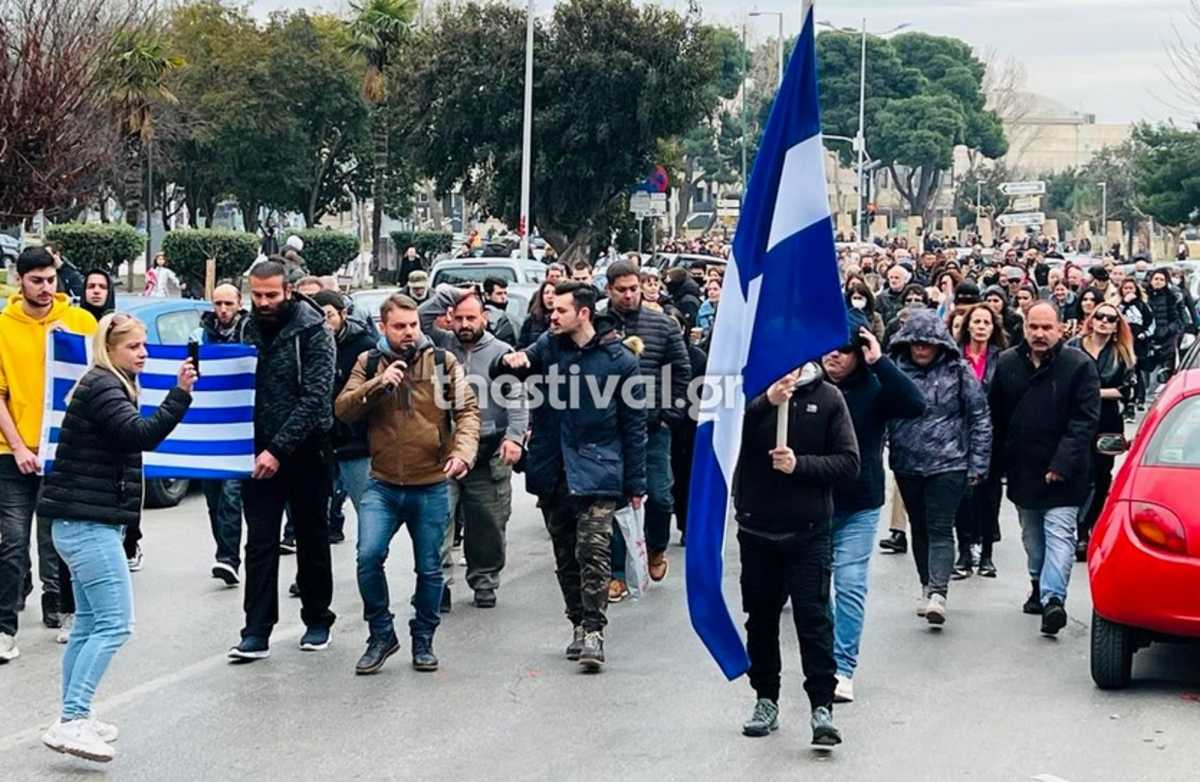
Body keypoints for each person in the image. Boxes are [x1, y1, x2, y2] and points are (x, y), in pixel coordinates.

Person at [37, 313, 195, 762]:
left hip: (81, 522)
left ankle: (75, 717)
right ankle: (71, 719)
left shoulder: (107, 382)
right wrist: (180, 396)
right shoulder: (105, 385)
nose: (143, 353)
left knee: (89, 624)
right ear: (111, 349)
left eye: (144, 345)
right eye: (134, 347)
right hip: (87, 525)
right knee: (115, 624)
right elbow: (138, 435)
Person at [491, 282, 646, 671]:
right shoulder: (549, 345)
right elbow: (518, 364)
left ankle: (595, 631)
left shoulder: (619, 360)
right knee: (566, 556)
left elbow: (634, 426)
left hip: (599, 469)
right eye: (551, 309)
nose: (552, 315)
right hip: (554, 468)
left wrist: (636, 484)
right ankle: (577, 622)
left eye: (560, 310)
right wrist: (510, 363)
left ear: (583, 313)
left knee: (593, 552)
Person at [335, 293, 480, 674]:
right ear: (383, 327)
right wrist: (378, 384)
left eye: (413, 325)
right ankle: (381, 634)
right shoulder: (367, 362)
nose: (409, 333)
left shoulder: (443, 362)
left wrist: (462, 452)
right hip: (382, 483)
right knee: (368, 557)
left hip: (430, 482)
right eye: (399, 326)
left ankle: (423, 638)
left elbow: (467, 412)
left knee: (430, 568)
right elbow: (343, 408)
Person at [733, 361, 860, 747]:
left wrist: (798, 465)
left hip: (808, 532)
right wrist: (765, 403)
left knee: (814, 620)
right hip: (757, 530)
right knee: (761, 620)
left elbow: (849, 463)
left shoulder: (828, 397)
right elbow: (719, 441)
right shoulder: (746, 392)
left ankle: (822, 707)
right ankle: (765, 699)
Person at [227, 260, 337, 662]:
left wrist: (279, 449)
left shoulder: (314, 330)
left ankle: (317, 618)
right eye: (256, 295)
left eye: (271, 295)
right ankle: (256, 630)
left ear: (288, 291)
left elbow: (315, 399)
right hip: (255, 452)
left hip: (307, 449)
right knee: (258, 543)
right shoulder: (246, 327)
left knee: (311, 536)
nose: (263, 302)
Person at [0, 248, 98, 663]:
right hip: (12, 452)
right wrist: (20, 446)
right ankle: (5, 627)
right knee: (12, 542)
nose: (44, 288)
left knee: (65, 540)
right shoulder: (3, 327)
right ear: (19, 280)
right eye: (36, 280)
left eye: (50, 280)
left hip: (66, 452)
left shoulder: (79, 323)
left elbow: (102, 380)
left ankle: (69, 611)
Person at [823, 312, 924, 704]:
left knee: (849, 584)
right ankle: (823, 658)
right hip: (810, 501)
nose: (834, 355)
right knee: (814, 590)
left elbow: (915, 404)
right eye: (828, 347)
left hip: (859, 504)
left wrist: (879, 361)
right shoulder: (804, 382)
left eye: (845, 349)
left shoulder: (876, 387)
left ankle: (842, 666)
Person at [989, 301, 1100, 636]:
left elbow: (1085, 421)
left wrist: (1061, 464)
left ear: (1060, 329)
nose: (1039, 334)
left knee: (1060, 534)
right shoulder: (1008, 364)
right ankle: (1038, 583)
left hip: (1065, 472)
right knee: (1032, 536)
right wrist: (993, 466)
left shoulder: (1079, 365)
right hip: (1023, 469)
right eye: (1033, 327)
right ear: (1024, 328)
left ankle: (1054, 599)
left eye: (1046, 328)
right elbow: (996, 418)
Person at [887, 310, 992, 625]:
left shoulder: (958, 372)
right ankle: (925, 584)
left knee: (940, 527)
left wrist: (978, 463)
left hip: (949, 462)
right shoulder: (895, 371)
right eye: (915, 344)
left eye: (927, 344)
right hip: (907, 462)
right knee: (918, 526)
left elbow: (980, 417)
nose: (921, 350)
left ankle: (938, 592)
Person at [603, 261, 691, 597]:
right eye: (621, 289)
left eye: (633, 288)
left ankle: (655, 545)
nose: (628, 295)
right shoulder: (599, 324)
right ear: (609, 289)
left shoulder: (662, 325)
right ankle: (616, 571)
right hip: (609, 430)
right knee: (611, 500)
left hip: (653, 427)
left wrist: (670, 414)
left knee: (659, 494)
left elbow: (681, 374)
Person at [190, 284, 250, 586]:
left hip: (241, 427)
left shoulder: (251, 332)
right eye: (218, 304)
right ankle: (224, 552)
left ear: (239, 304)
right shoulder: (200, 336)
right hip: (211, 426)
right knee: (213, 495)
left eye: (228, 303)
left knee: (231, 494)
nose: (223, 309)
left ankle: (229, 558)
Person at [1067, 303, 1135, 559]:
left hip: (1107, 421)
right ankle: (1077, 527)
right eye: (1100, 316)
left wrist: (1093, 394)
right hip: (1074, 419)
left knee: (1101, 474)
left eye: (1111, 318)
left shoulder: (1121, 353)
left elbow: (1127, 390)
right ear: (1091, 320)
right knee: (1077, 471)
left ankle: (1087, 528)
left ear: (1118, 325)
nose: (1104, 321)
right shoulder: (1074, 347)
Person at [313, 290, 376, 546]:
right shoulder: (310, 344)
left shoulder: (365, 347)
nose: (326, 323)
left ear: (343, 314)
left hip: (355, 442)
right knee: (316, 511)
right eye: (320, 317)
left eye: (329, 315)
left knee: (368, 508)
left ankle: (370, 562)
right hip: (321, 439)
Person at [952, 303, 1008, 579]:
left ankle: (986, 554)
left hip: (994, 436)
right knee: (963, 495)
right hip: (959, 434)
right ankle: (964, 552)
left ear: (993, 327)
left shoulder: (1003, 358)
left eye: (987, 322)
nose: (982, 327)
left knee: (990, 495)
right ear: (968, 326)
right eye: (977, 322)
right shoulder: (954, 357)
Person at [1118, 278, 1154, 412]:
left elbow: (1150, 322)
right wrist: (1124, 303)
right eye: (1125, 288)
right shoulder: (1120, 305)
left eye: (1131, 288)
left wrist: (1144, 334)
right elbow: (1116, 316)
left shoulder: (1142, 305)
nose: (1128, 291)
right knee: (1127, 370)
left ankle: (1140, 397)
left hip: (1139, 343)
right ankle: (1128, 399)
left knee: (1138, 371)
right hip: (1124, 341)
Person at [518, 279, 556, 348]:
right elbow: (522, 345)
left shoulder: (562, 319)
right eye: (546, 293)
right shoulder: (531, 319)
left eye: (554, 293)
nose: (550, 296)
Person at [482, 276, 518, 346]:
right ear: (487, 295)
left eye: (505, 293)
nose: (503, 297)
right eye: (499, 293)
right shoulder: (486, 315)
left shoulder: (508, 317)